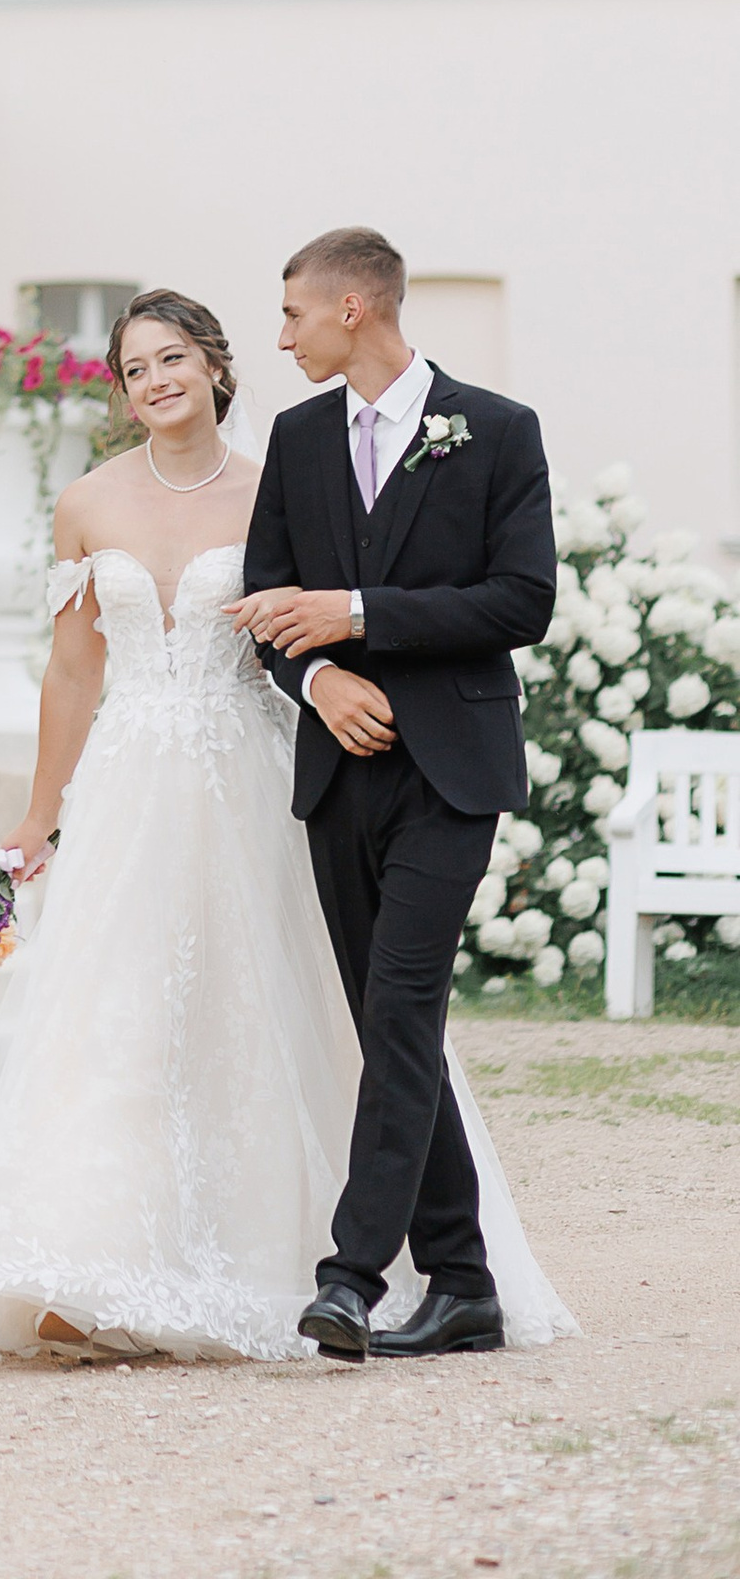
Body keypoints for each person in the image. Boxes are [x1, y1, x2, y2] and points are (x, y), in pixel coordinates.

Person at [0, 286, 568, 1365]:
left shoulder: (280, 479)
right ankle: (85, 1260)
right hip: (131, 788)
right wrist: (40, 814)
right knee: (116, 1018)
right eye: (135, 367)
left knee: (295, 1010)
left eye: (172, 357)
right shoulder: (85, 503)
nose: (155, 379)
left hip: (258, 780)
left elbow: (312, 620)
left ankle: (336, 1264)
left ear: (213, 365)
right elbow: (69, 670)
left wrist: (329, 673)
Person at [230, 225, 562, 1362]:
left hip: (452, 770)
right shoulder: (298, 435)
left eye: (293, 316)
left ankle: (350, 1276)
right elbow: (268, 598)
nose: (281, 338)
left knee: (401, 1013)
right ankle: (463, 1283)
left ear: (353, 310)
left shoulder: (497, 432)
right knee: (388, 1027)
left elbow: (521, 602)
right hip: (337, 774)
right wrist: (318, 676)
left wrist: (360, 614)